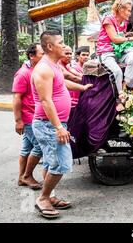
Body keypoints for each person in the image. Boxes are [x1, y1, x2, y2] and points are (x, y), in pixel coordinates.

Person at [31, 30, 92, 219]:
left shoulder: (54, 65)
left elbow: (62, 84)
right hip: (48, 125)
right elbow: (46, 100)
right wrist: (58, 127)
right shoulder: (43, 69)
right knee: (62, 163)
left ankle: (51, 195)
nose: (65, 46)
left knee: (51, 162)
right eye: (61, 42)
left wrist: (82, 87)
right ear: (50, 46)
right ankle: (43, 198)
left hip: (53, 124)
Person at [96, 0, 133, 112]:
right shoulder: (108, 19)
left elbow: (121, 37)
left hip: (118, 52)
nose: (130, 13)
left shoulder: (123, 23)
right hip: (105, 52)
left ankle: (125, 83)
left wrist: (128, 36)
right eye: (128, 10)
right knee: (117, 71)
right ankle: (118, 100)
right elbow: (114, 39)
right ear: (120, 9)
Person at [12, 43, 44, 190]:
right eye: (41, 54)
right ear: (32, 56)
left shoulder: (37, 69)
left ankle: (21, 178)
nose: (44, 56)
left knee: (26, 148)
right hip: (29, 117)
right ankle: (27, 176)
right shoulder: (23, 73)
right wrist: (18, 121)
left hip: (34, 115)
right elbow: (17, 98)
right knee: (39, 146)